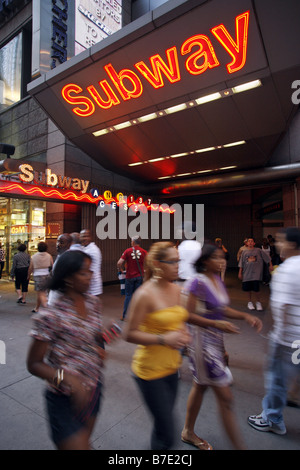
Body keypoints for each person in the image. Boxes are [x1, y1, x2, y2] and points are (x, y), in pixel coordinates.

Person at [124, 242, 213, 450]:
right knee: (167, 434)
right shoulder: (144, 294)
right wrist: (164, 339)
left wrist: (183, 334)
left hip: (172, 369)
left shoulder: (176, 289)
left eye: (178, 261)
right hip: (148, 372)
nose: (178, 266)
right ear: (157, 264)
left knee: (161, 428)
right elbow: (128, 333)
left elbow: (178, 319)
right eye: (172, 262)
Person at [181, 243, 262, 450]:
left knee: (200, 386)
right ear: (205, 261)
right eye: (216, 257)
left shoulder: (216, 279)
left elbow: (222, 309)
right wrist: (215, 324)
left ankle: (188, 431)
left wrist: (245, 315)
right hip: (201, 343)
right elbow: (187, 316)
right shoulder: (196, 283)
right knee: (225, 398)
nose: (222, 261)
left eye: (222, 257)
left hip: (215, 341)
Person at [26, 250, 105, 450]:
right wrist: (68, 379)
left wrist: (99, 347)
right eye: (84, 272)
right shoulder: (51, 315)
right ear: (69, 278)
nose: (91, 276)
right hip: (63, 399)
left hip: (93, 389)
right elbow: (34, 364)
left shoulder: (93, 303)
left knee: (85, 442)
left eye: (90, 271)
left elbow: (95, 336)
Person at [248, 227, 300, 435]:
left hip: (287, 340)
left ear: (293, 245)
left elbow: (280, 309)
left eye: (281, 241)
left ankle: (272, 418)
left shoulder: (286, 270)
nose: (277, 244)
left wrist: (272, 336)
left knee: (276, 378)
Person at [117, 236, 147, 320]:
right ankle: (139, 316)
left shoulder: (128, 251)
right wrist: (145, 270)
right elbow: (150, 263)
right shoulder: (144, 252)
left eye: (131, 241)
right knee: (138, 296)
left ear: (133, 242)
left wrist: (121, 269)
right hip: (139, 277)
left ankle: (125, 316)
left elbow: (119, 263)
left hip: (129, 277)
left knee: (128, 296)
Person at [238, 237, 273, 311]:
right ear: (246, 243)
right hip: (247, 273)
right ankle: (249, 302)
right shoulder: (244, 252)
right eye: (249, 241)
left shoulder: (258, 250)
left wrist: (270, 265)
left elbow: (267, 257)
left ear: (254, 243)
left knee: (256, 289)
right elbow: (241, 263)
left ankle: (258, 302)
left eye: (252, 241)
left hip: (256, 273)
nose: (250, 242)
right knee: (248, 289)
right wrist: (240, 272)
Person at [28, 241, 53, 313]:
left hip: (37, 275)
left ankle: (42, 307)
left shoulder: (34, 257)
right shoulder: (49, 256)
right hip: (47, 275)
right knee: (44, 292)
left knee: (40, 293)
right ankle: (39, 307)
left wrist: (28, 275)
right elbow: (52, 266)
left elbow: (31, 267)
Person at [48, 233, 72, 306]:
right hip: (55, 297)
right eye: (57, 242)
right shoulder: (60, 255)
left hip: (60, 300)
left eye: (61, 242)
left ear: (69, 244)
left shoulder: (68, 258)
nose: (58, 244)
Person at [80, 229, 102, 297]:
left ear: (91, 237)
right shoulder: (85, 248)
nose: (85, 238)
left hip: (92, 285)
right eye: (83, 236)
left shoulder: (92, 250)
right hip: (88, 285)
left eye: (87, 236)